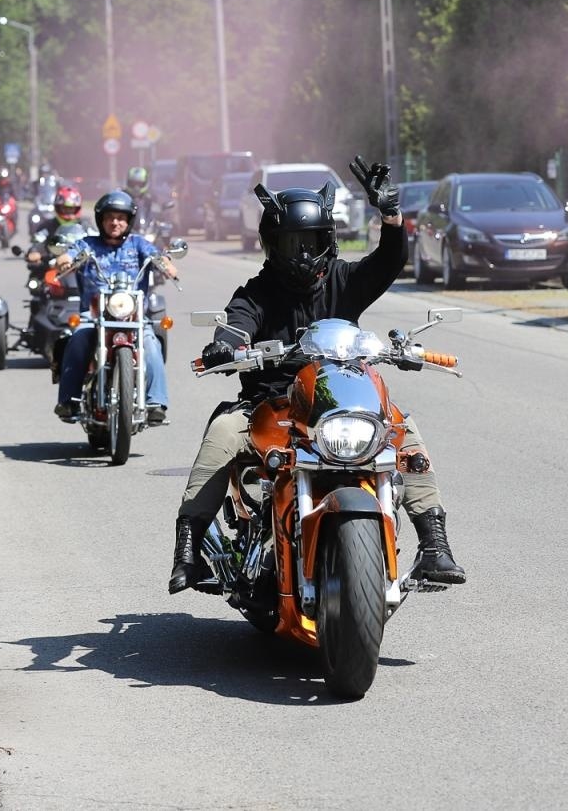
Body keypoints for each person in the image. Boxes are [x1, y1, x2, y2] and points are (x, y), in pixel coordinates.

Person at [168, 157, 466, 594]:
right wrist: (225, 345)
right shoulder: (257, 292)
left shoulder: (344, 280)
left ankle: (435, 545)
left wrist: (390, 215)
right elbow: (236, 324)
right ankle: (189, 551)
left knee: (403, 429)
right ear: (273, 246)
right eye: (292, 243)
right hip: (272, 405)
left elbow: (389, 261)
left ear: (328, 240)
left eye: (311, 241)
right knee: (222, 432)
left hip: (340, 400)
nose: (303, 253)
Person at [51, 190, 178, 425]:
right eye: (110, 217)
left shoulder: (138, 244)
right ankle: (68, 400)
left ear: (129, 221)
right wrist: (65, 261)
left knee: (151, 344)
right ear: (101, 220)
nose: (115, 222)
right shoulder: (87, 244)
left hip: (133, 315)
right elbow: (67, 255)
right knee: (77, 340)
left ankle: (156, 402)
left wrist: (166, 265)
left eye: (121, 218)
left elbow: (158, 257)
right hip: (94, 315)